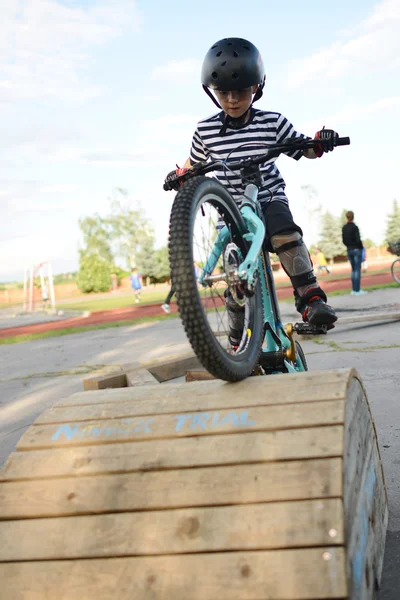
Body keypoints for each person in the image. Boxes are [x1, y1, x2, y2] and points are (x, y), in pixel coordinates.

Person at [165, 37, 340, 346]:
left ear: (257, 88)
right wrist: (180, 176)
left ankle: (311, 299)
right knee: (234, 271)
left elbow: (303, 148)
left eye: (241, 91)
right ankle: (235, 333)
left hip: (268, 195)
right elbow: (193, 164)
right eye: (223, 93)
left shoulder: (272, 122)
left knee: (285, 234)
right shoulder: (204, 130)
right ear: (212, 92)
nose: (232, 99)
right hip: (229, 206)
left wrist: (320, 142)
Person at [342, 211, 367, 295]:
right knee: (357, 270)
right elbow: (358, 239)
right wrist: (361, 247)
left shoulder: (344, 228)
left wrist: (349, 246)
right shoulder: (355, 227)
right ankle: (357, 290)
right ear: (353, 217)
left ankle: (353, 290)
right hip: (356, 250)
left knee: (353, 270)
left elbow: (344, 240)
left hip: (349, 250)